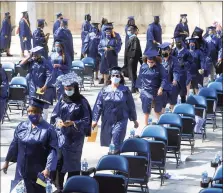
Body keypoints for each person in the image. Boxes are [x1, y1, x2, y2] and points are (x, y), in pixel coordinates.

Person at [2, 97, 58, 193]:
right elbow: (14, 145)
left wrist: (48, 168)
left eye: (34, 111)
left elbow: (53, 150)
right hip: (21, 172)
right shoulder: (22, 126)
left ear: (40, 113)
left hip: (39, 173)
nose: (31, 114)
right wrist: (7, 161)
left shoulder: (49, 130)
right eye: (29, 111)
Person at [50, 72, 92, 192]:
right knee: (59, 162)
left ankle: (72, 187)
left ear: (75, 88)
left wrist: (74, 123)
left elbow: (86, 119)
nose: (68, 91)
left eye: (70, 89)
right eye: (66, 89)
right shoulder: (62, 100)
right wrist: (58, 122)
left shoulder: (82, 101)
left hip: (75, 139)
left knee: (73, 164)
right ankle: (59, 187)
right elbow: (55, 115)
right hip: (62, 136)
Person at [92, 67, 138, 153]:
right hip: (107, 119)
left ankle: (114, 159)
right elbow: (98, 105)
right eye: (113, 75)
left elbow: (131, 105)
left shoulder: (125, 90)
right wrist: (95, 120)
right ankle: (114, 160)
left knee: (116, 140)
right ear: (110, 77)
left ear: (120, 78)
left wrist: (134, 120)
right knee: (110, 142)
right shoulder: (104, 90)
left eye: (117, 75)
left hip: (121, 119)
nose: (115, 77)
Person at [20, 46, 54, 120]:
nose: (34, 56)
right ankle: (32, 121)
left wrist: (45, 86)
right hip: (32, 87)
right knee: (32, 105)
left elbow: (50, 75)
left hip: (41, 87)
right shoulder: (31, 61)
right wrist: (28, 56)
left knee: (43, 106)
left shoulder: (45, 62)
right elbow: (21, 65)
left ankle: (43, 121)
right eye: (33, 55)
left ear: (40, 54)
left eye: (36, 55)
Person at [136, 50, 169, 126]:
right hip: (146, 91)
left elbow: (164, 78)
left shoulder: (160, 67)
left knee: (157, 110)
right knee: (146, 111)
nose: (150, 63)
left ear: (155, 61)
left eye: (152, 62)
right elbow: (140, 78)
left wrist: (161, 88)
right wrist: (140, 90)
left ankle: (161, 125)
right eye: (148, 61)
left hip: (157, 91)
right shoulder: (143, 66)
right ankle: (145, 125)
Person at [158, 42, 180, 110]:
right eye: (163, 50)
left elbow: (175, 71)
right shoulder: (159, 60)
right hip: (162, 85)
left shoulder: (174, 60)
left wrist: (175, 79)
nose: (164, 52)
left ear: (169, 51)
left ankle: (172, 116)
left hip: (171, 84)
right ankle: (162, 118)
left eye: (166, 50)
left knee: (172, 103)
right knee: (161, 105)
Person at [171, 36, 193, 103]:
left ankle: (183, 102)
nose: (178, 44)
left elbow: (190, 61)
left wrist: (184, 64)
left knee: (182, 90)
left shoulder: (186, 51)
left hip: (183, 73)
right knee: (174, 89)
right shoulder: (174, 51)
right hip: (174, 73)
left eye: (180, 42)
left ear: (182, 42)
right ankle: (173, 105)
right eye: (177, 42)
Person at [123, 25, 143, 93]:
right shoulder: (130, 38)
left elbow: (136, 50)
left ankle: (134, 88)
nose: (128, 32)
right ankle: (134, 87)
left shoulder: (134, 39)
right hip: (130, 59)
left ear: (133, 31)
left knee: (133, 74)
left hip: (132, 59)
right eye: (128, 30)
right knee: (132, 74)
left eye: (130, 30)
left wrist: (132, 58)